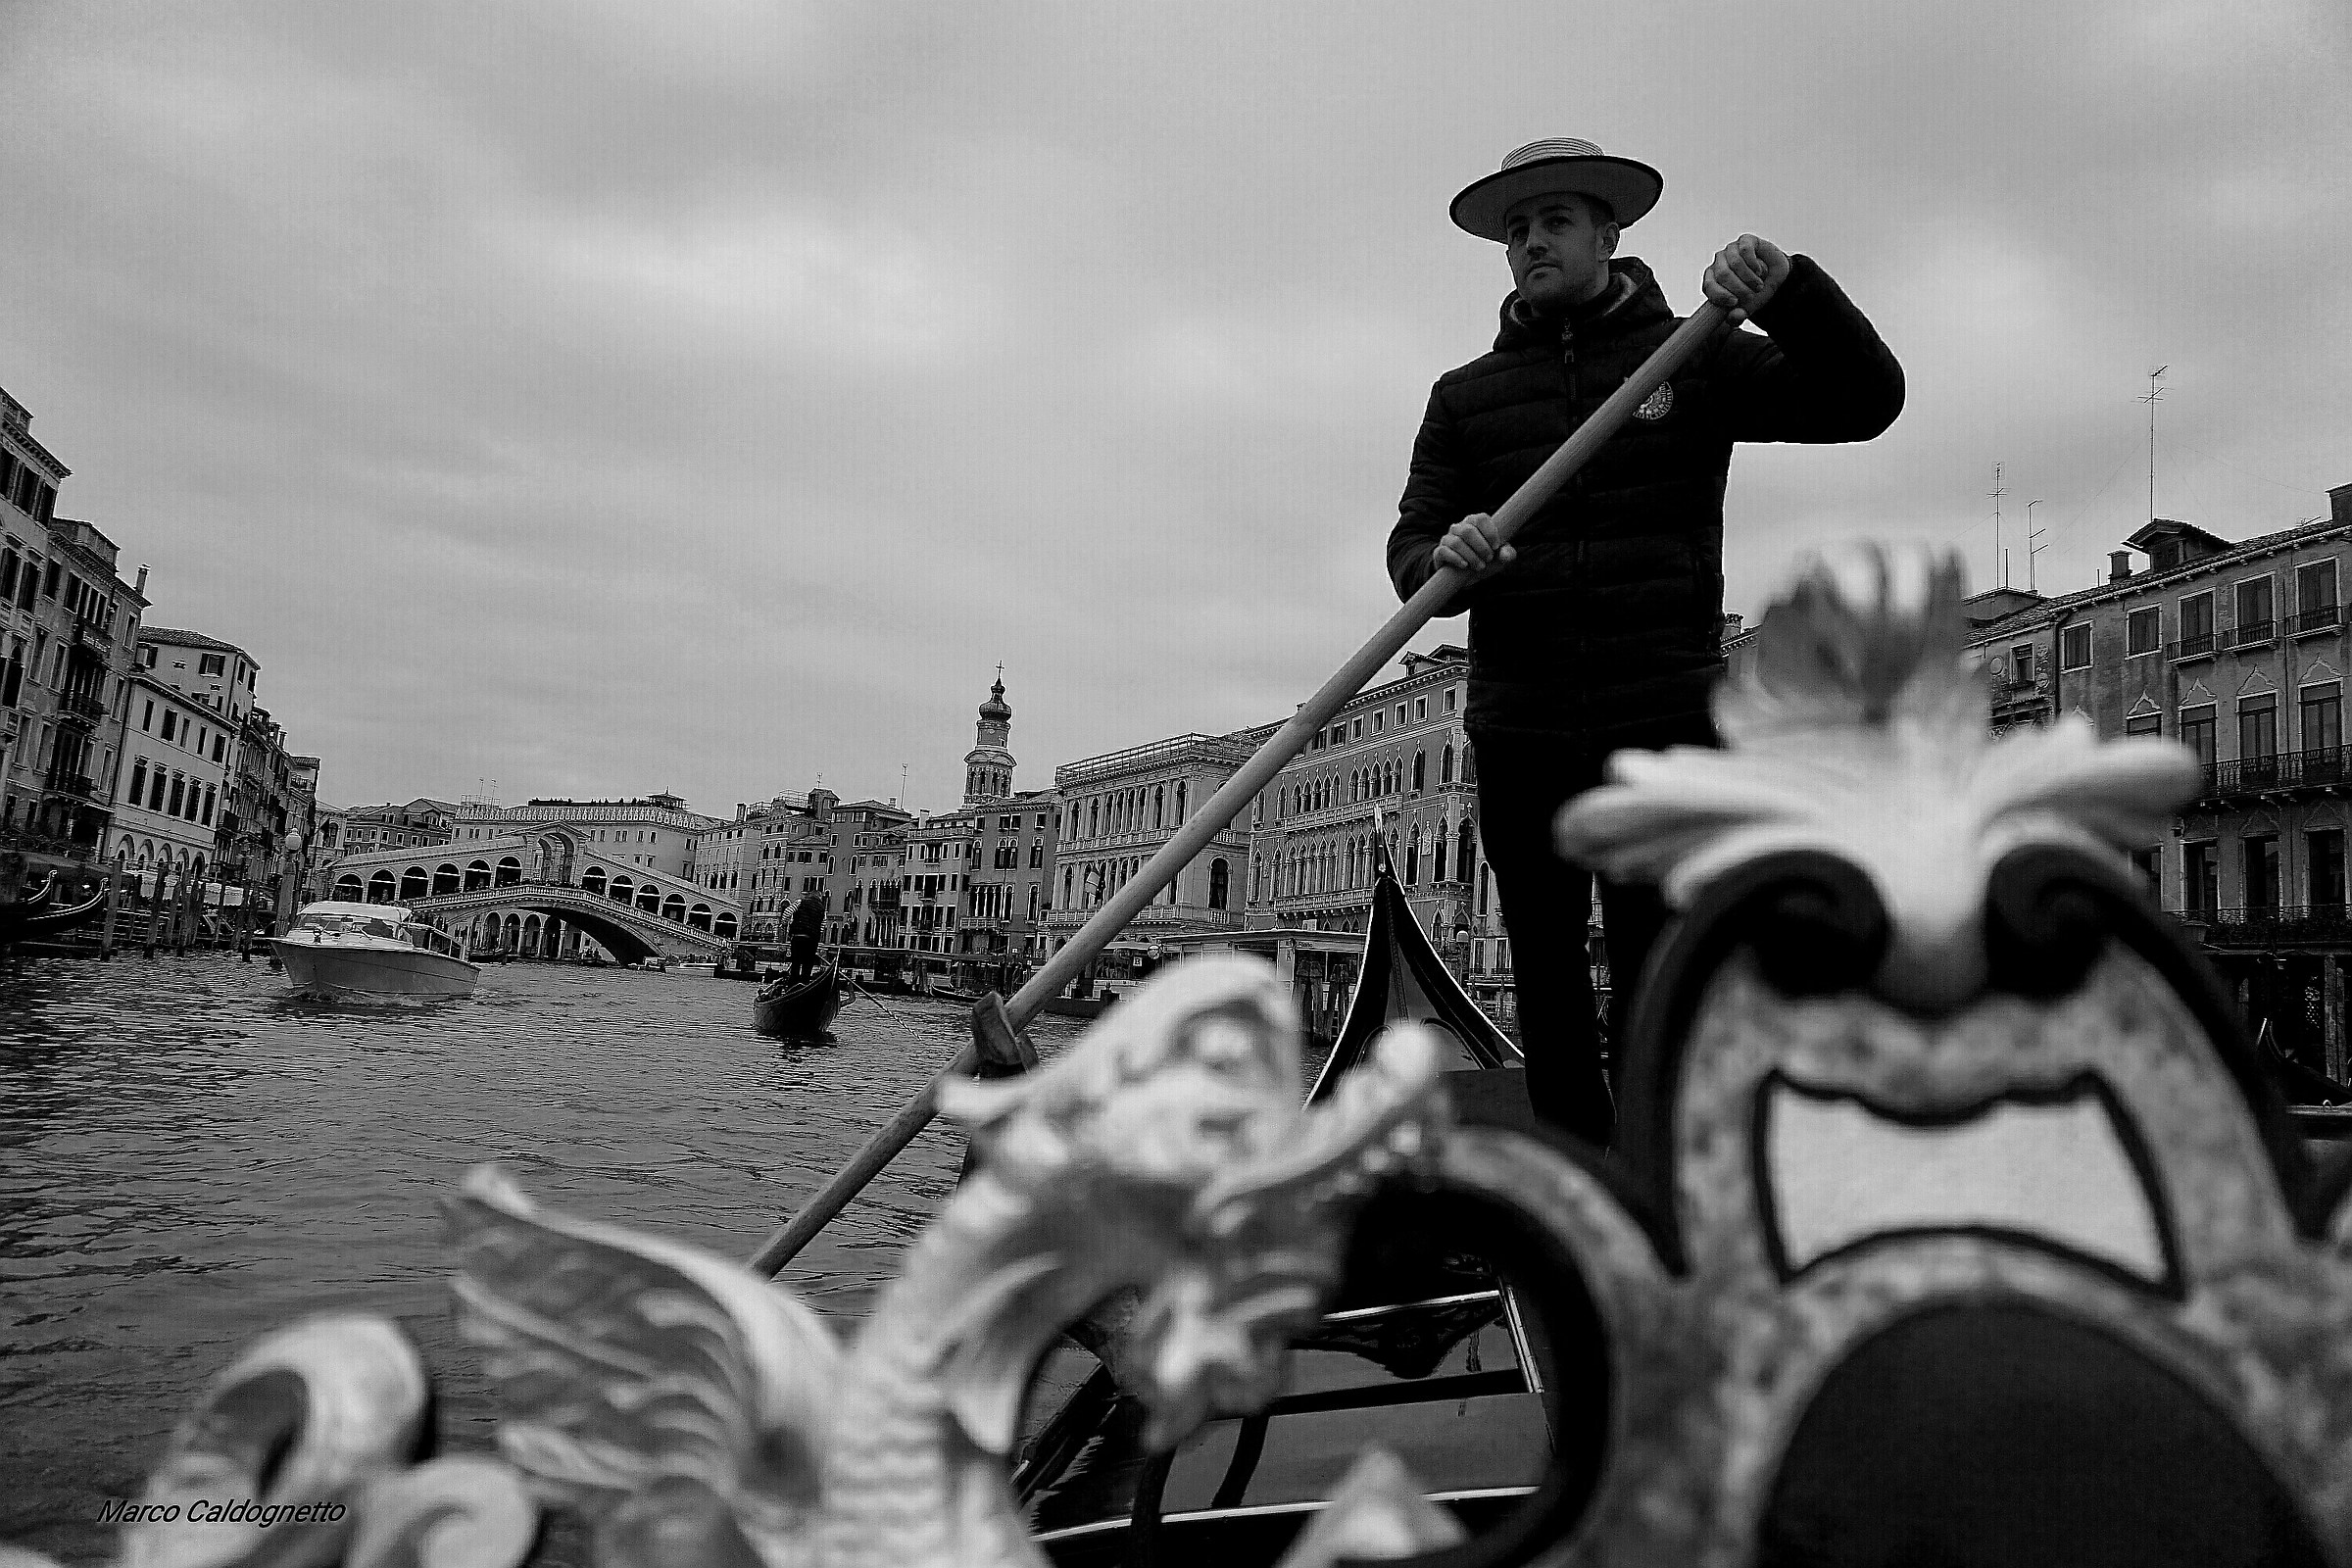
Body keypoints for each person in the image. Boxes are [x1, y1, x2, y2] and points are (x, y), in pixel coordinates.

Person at [1389, 138, 1905, 1146]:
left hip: (1662, 715)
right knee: (1543, 967)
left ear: (1610, 235)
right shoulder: (1464, 398)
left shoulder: (1692, 355)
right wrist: (1439, 556)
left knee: (1659, 964)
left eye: (1555, 222)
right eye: (1518, 231)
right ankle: (1580, 1179)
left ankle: (1660, 1171)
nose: (1532, 242)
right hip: (1523, 726)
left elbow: (1865, 401)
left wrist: (1788, 290)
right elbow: (1413, 546)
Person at [786, 891, 826, 984]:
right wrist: (815, 933)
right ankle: (804, 984)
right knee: (808, 965)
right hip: (812, 940)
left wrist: (784, 925)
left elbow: (788, 912)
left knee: (796, 962)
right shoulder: (822, 909)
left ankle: (793, 985)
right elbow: (822, 926)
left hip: (798, 937)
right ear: (819, 898)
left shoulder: (800, 902)